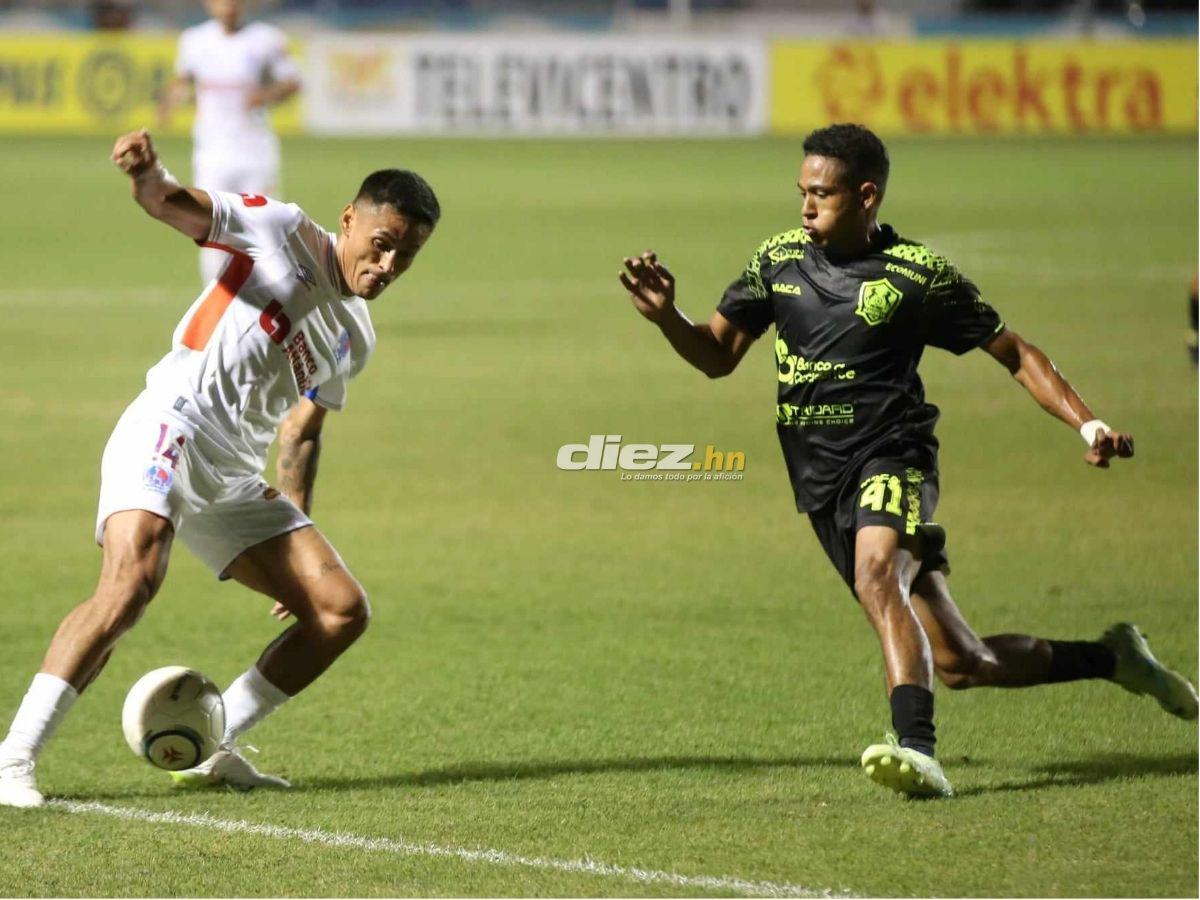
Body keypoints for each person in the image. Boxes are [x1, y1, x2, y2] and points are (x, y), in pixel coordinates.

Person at [617, 123, 1197, 799]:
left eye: (822, 194)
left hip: (894, 457)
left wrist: (1087, 422)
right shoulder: (777, 262)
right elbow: (717, 356)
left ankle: (916, 748)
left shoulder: (916, 277)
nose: (805, 206)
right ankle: (1114, 657)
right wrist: (667, 319)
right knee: (963, 660)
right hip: (820, 481)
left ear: (866, 197)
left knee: (876, 574)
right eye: (802, 191)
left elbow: (1015, 353)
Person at [0, 129, 439, 808]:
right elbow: (173, 203)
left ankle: (209, 745)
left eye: (405, 258)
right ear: (349, 220)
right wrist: (147, 173)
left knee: (339, 611)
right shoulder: (283, 231)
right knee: (131, 583)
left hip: (232, 475)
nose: (386, 265)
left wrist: (293, 520)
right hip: (170, 425)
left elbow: (302, 431)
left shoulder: (356, 336)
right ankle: (13, 758)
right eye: (381, 244)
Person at [159, 0, 302, 284]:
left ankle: (271, 301)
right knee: (211, 229)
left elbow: (292, 82)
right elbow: (182, 79)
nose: (229, 5)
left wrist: (266, 95)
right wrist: (171, 100)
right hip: (212, 154)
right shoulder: (194, 41)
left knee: (265, 230)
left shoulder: (267, 39)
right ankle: (218, 300)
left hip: (255, 153)